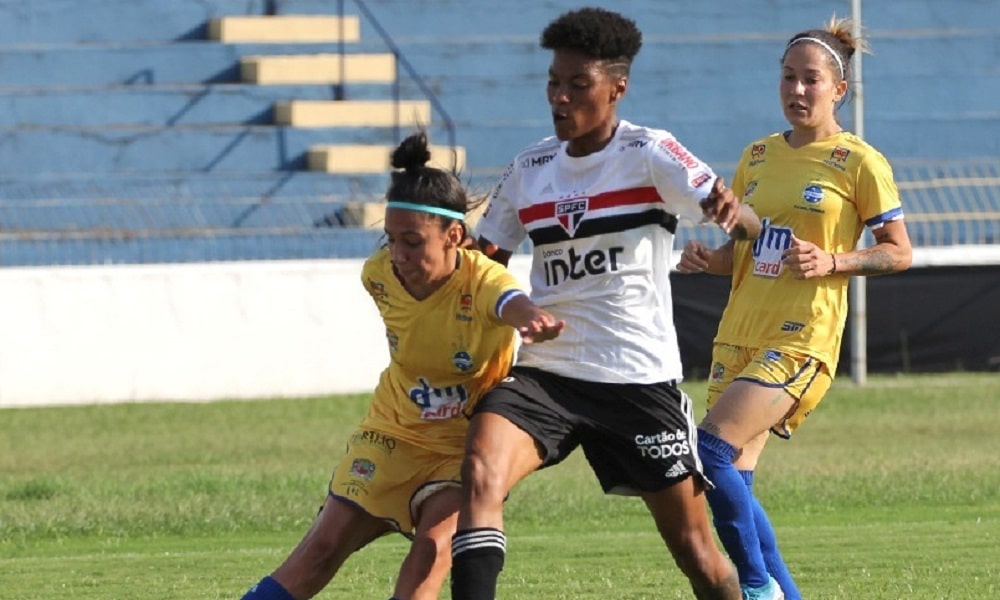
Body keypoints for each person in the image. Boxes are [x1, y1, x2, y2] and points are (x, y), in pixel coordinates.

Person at [449, 7, 763, 600]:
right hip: (547, 376)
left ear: (617, 88)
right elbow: (484, 261)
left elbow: (742, 219)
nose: (560, 97)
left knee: (698, 555)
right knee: (481, 471)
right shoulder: (530, 167)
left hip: (635, 380)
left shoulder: (651, 153)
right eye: (553, 83)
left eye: (577, 84)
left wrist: (734, 213)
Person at [240, 131, 564, 600]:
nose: (398, 255)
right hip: (392, 431)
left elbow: (508, 300)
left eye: (412, 242)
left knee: (432, 551)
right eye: (391, 239)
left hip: (461, 445)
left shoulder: (483, 279)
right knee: (318, 552)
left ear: (455, 236)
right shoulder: (377, 276)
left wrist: (530, 317)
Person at [676, 16, 913, 600]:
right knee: (733, 479)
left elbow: (899, 251)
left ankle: (757, 588)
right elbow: (748, 251)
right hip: (739, 332)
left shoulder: (859, 161)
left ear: (839, 89)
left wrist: (832, 261)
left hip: (801, 336)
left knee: (708, 452)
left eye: (811, 79)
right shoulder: (756, 155)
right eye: (788, 77)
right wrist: (710, 261)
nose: (797, 89)